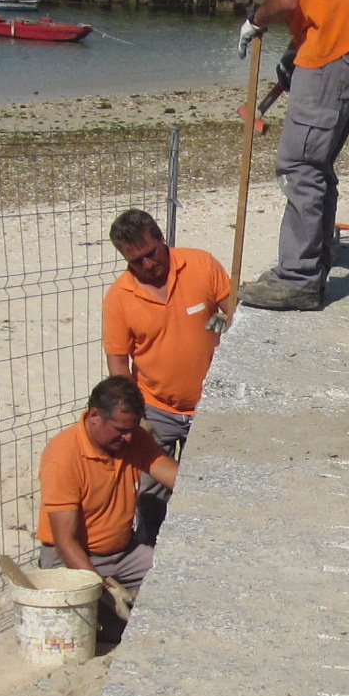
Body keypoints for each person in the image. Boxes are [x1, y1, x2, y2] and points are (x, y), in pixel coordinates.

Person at [176, 0, 349, 311]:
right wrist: (293, 52)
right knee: (315, 163)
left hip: (333, 53)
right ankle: (319, 255)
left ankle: (298, 278)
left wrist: (255, 19)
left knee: (299, 165)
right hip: (339, 47)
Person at [103, 207, 231, 540]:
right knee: (151, 494)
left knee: (206, 488)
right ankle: (150, 552)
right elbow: (118, 362)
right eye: (135, 261)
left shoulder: (200, 264)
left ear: (162, 240)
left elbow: (235, 312)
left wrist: (223, 321)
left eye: (150, 254)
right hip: (156, 409)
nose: (146, 265)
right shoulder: (119, 298)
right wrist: (133, 416)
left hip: (212, 405)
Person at [37, 377, 180, 636]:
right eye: (120, 430)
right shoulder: (63, 457)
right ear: (94, 416)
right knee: (116, 630)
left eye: (133, 429)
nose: (128, 438)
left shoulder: (134, 438)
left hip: (124, 554)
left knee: (176, 581)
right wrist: (105, 590)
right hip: (72, 560)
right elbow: (65, 542)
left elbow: (176, 478)